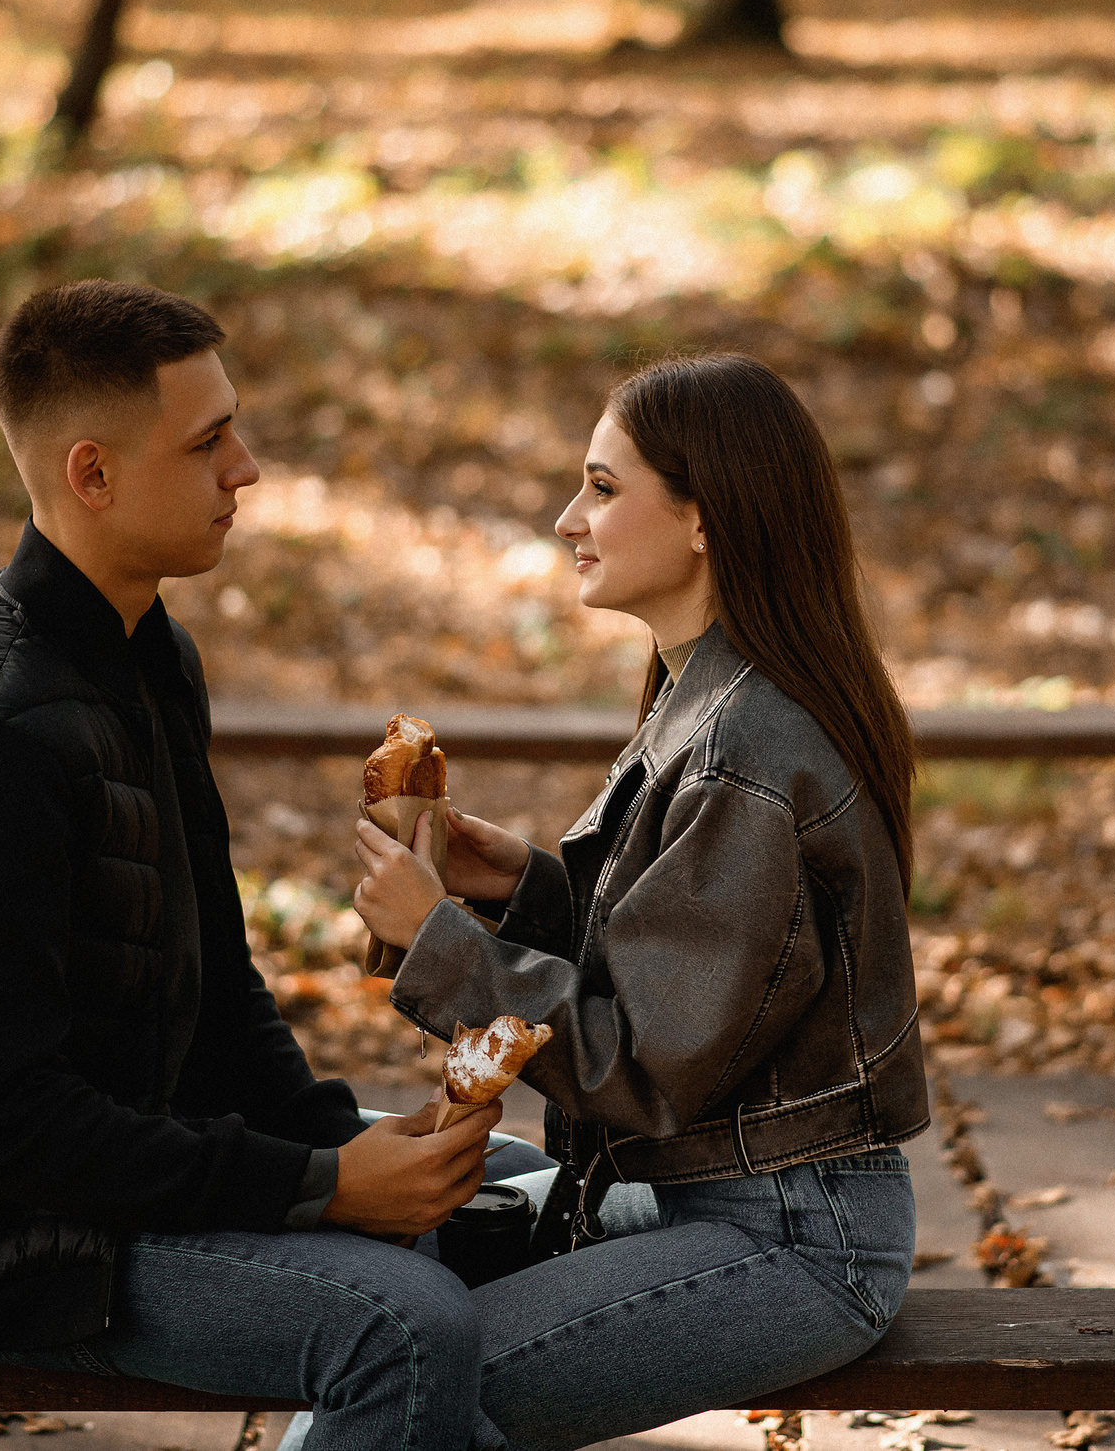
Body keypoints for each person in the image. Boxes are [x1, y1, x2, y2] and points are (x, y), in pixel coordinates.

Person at [0, 280, 537, 1451]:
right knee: (410, 1332)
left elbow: (216, 985)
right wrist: (321, 1188)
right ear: (91, 474)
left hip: (134, 1163)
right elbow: (6, 1128)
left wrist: (332, 1145)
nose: (245, 470)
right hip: (2, 1239)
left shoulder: (149, 654)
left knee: (519, 1194)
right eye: (208, 443)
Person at [352, 352, 930, 1451]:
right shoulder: (712, 689)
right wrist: (525, 886)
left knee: (404, 1374)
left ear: (703, 518)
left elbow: (646, 1066)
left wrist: (438, 942)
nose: (568, 518)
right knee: (370, 1224)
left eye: (603, 487)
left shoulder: (744, 748)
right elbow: (701, 961)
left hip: (795, 1236)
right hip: (699, 1188)